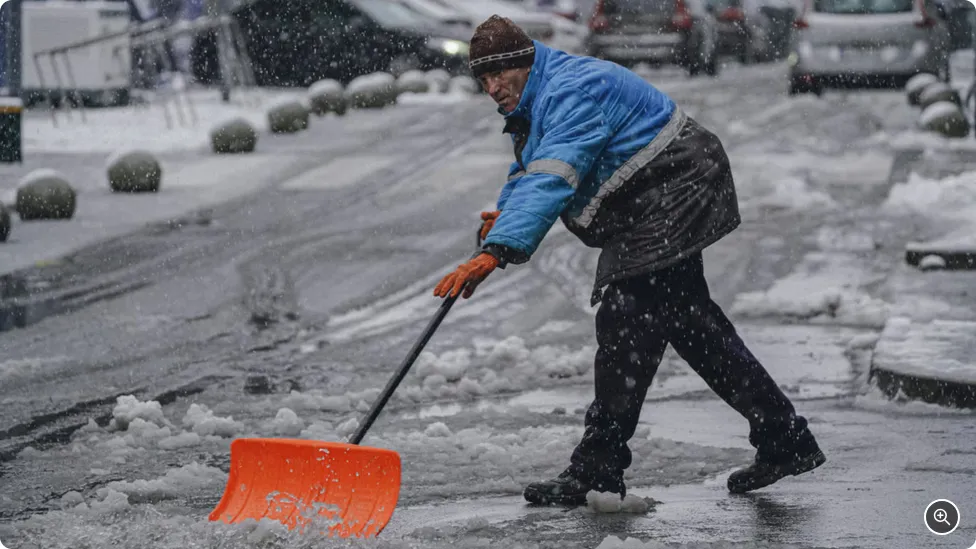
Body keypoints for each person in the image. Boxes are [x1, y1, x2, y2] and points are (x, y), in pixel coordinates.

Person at [432, 15, 825, 505]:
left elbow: (555, 172)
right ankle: (783, 438)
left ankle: (599, 468)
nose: (491, 88)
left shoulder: (573, 91)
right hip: (656, 192)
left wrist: (498, 250)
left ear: (525, 63)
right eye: (483, 80)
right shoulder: (540, 94)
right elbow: (533, 166)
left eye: (499, 75)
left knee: (627, 319)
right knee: (688, 323)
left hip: (675, 184)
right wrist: (507, 213)